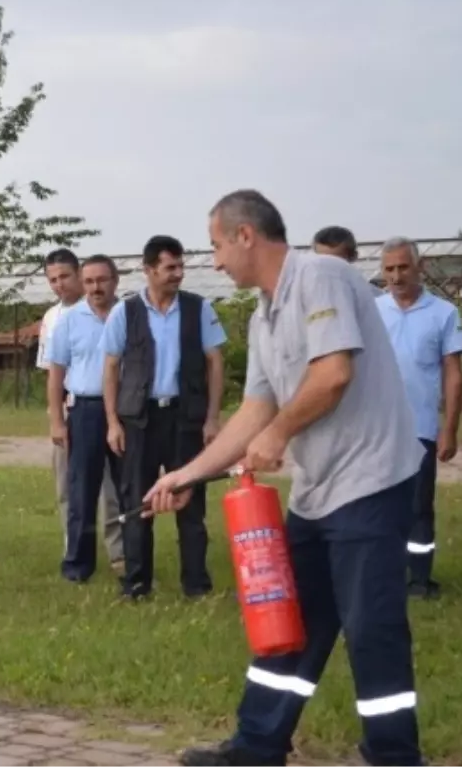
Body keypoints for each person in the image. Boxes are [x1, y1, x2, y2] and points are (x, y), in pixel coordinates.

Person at [145, 190, 425, 767]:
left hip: (370, 483)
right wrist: (188, 475)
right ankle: (257, 747)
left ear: (246, 235)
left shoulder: (321, 276)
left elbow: (333, 374)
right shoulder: (262, 316)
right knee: (286, 620)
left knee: (372, 631)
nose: (216, 261)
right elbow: (254, 412)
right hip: (318, 494)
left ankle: (395, 756)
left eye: (218, 245)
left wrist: (277, 435)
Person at [100, 235, 227, 600]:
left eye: (180, 267)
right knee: (137, 503)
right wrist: (112, 422)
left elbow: (214, 362)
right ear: (149, 270)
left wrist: (212, 418)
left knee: (190, 501)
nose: (178, 274)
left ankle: (196, 585)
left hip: (185, 419)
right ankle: (137, 584)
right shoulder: (125, 312)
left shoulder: (198, 308)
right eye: (170, 268)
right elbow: (110, 368)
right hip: (139, 421)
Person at [376, 237, 462, 599]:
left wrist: (449, 428)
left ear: (419, 268)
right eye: (389, 269)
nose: (396, 276)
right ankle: (386, 573)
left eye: (403, 267)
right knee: (379, 505)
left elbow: (454, 373)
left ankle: (419, 579)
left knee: (418, 506)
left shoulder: (443, 313)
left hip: (421, 428)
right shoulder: (374, 311)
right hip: (378, 429)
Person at [38, 248, 125, 576]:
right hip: (84, 410)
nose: (96, 286)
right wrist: (58, 422)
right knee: (80, 491)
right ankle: (77, 563)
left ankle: (126, 557)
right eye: (90, 281)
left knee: (124, 489)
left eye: (102, 279)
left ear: (115, 280)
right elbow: (55, 373)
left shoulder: (130, 314)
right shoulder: (67, 321)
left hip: (125, 412)